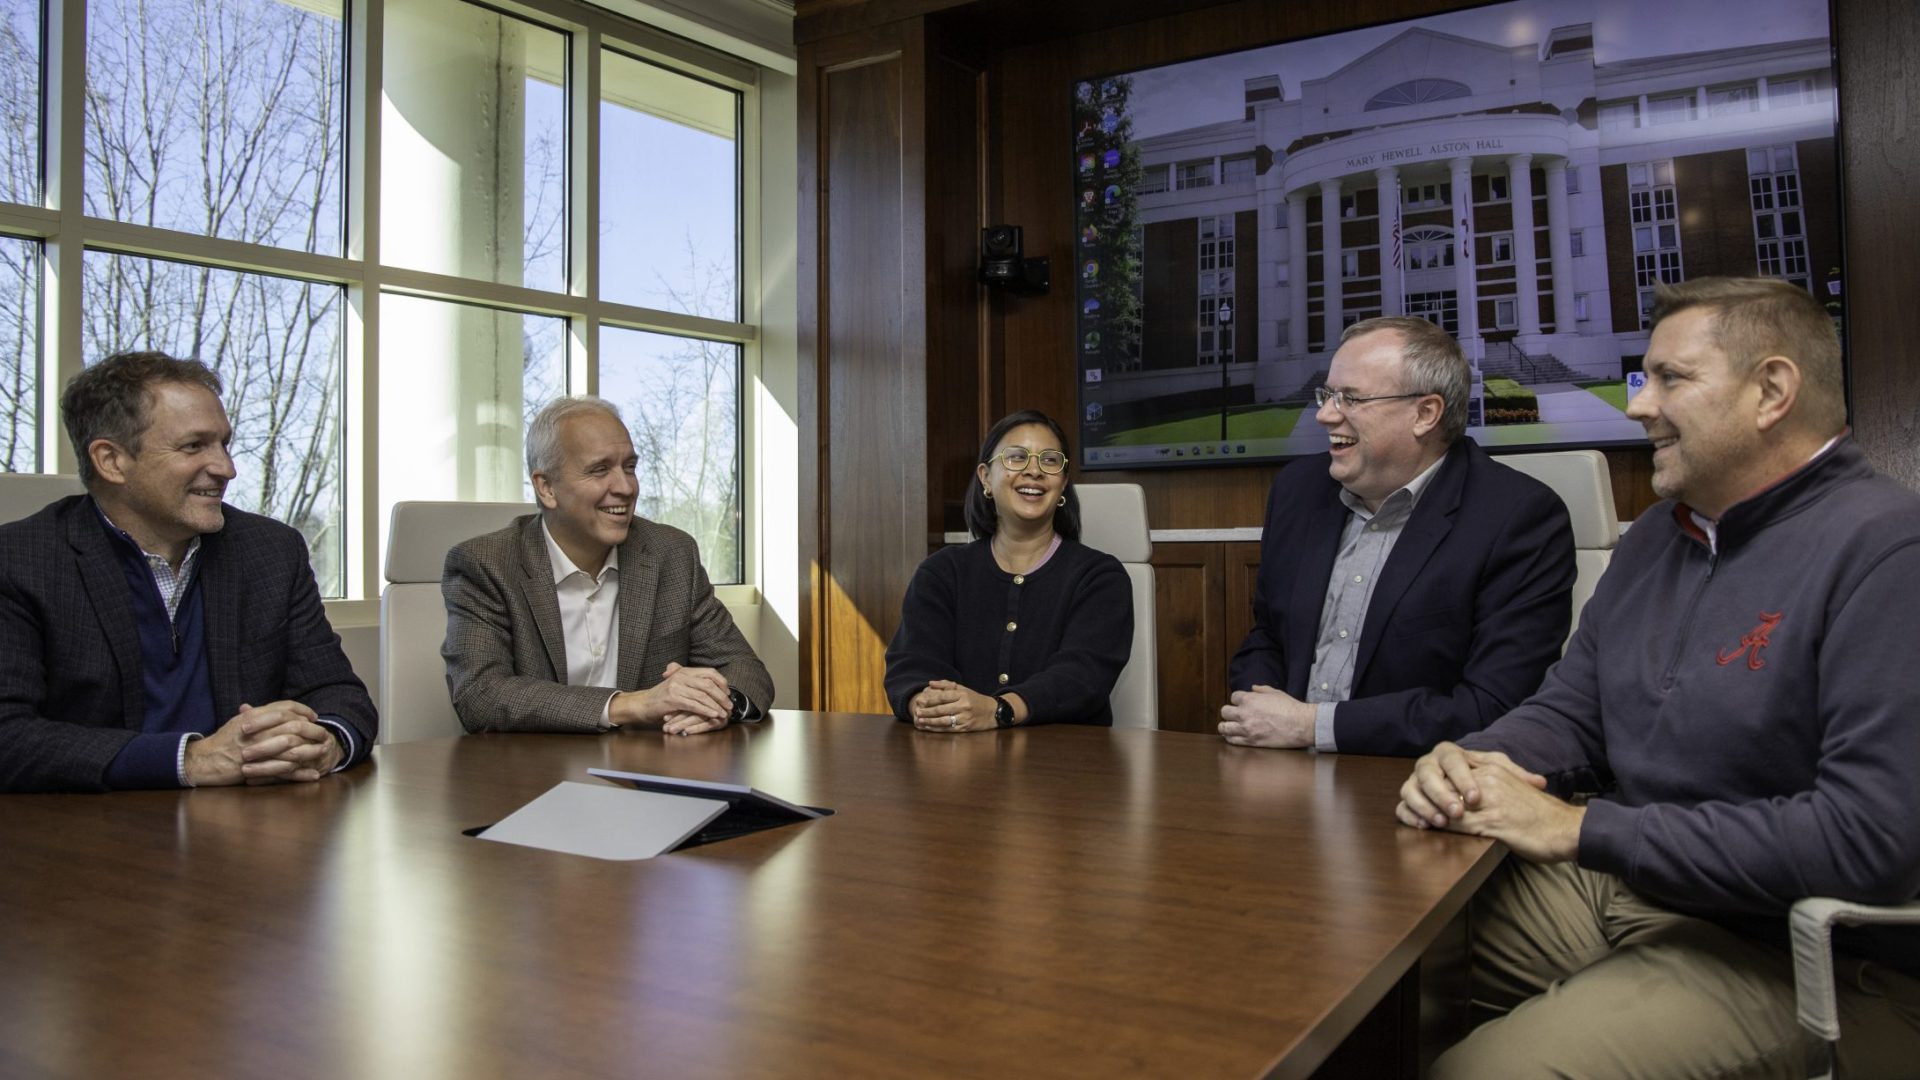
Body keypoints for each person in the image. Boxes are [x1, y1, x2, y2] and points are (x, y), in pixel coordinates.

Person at [1398, 278, 1920, 1077]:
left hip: (1805, 954)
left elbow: (1865, 839)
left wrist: (1580, 831)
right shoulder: (1655, 539)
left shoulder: (1887, 551)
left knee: (1479, 1073)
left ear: (1772, 391)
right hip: (1633, 890)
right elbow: (1571, 711)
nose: (1639, 405)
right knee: (1368, 955)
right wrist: (1472, 760)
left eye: (1670, 379)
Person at [0, 351, 377, 793]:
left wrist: (326, 742)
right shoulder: (20, 561)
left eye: (224, 444)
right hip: (87, 826)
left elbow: (339, 694)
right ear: (111, 460)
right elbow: (9, 735)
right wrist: (191, 759)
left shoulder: (272, 551)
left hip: (249, 822)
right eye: (194, 446)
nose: (226, 469)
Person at [1221, 316, 1575, 756]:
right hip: (1276, 767)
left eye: (1350, 398)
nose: (1325, 414)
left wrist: (1312, 727)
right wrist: (1260, 714)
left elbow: (1493, 706)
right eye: (1328, 395)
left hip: (1417, 778)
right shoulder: (1298, 491)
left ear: (1425, 414)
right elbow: (1268, 637)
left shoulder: (1519, 519)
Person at [442, 396, 773, 734]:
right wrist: (633, 704)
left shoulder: (671, 555)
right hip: (536, 765)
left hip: (649, 763)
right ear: (546, 487)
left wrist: (715, 703)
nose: (626, 487)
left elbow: (744, 668)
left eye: (629, 467)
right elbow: (480, 695)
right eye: (600, 470)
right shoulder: (488, 564)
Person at [884, 410, 1131, 731]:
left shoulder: (1100, 577)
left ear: (1063, 483)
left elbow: (1082, 677)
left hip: (1067, 755)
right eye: (1016, 457)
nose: (1034, 471)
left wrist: (998, 710)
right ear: (986, 477)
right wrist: (928, 704)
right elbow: (912, 664)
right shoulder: (941, 572)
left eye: (1050, 461)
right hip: (955, 750)